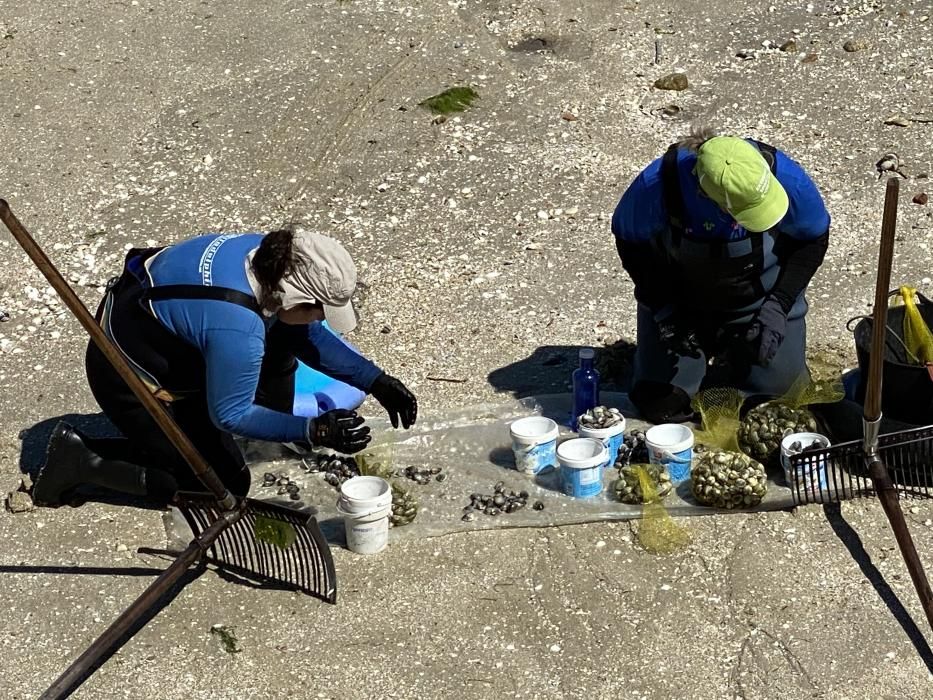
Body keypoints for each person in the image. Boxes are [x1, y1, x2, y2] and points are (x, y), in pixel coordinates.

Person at [31, 227, 418, 506]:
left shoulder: (265, 255)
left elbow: (305, 332)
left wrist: (375, 380)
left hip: (156, 327)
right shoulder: (238, 328)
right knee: (222, 486)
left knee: (285, 339)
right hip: (127, 374)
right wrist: (313, 428)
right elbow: (230, 414)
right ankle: (82, 459)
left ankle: (260, 427)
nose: (321, 319)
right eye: (318, 309)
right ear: (293, 296)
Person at [611, 127, 830, 423]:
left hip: (758, 303)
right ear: (706, 194)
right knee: (659, 404)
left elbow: (813, 239)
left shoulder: (788, 178)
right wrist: (664, 312)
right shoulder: (658, 184)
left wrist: (779, 304)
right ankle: (690, 363)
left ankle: (735, 362)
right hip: (679, 305)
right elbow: (632, 246)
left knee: (778, 406)